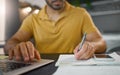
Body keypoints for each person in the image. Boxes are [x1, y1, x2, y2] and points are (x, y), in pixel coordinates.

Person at [4, 0, 106, 62]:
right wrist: (17, 47)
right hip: (42, 68)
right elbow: (10, 43)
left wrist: (92, 46)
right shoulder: (32, 19)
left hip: (73, 66)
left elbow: (101, 42)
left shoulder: (81, 14)